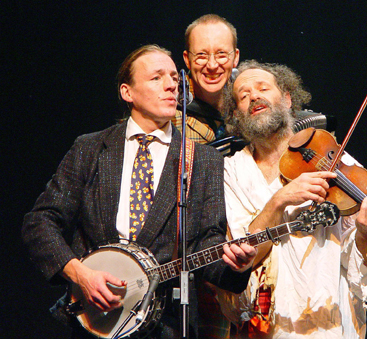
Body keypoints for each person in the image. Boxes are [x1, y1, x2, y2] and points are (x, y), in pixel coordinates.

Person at [21, 44, 257, 339]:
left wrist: (236, 267)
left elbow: (205, 246)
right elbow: (39, 223)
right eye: (156, 78)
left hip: (166, 323)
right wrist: (80, 274)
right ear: (127, 92)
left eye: (174, 77)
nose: (171, 84)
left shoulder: (203, 160)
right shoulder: (91, 148)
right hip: (95, 320)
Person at [222, 60, 367, 338]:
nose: (254, 96)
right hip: (269, 326)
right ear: (236, 115)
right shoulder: (231, 171)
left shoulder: (329, 155)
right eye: (243, 96)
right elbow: (244, 254)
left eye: (263, 88)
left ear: (288, 98)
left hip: (332, 321)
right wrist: (279, 200)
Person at [172, 14, 240, 144]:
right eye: (201, 55)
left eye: (221, 54)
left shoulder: (247, 98)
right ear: (187, 60)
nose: (212, 65)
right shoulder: (169, 106)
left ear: (235, 57)